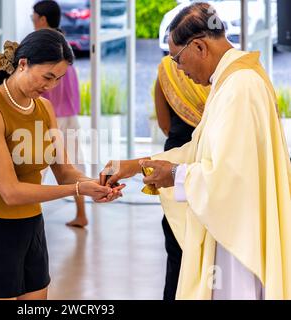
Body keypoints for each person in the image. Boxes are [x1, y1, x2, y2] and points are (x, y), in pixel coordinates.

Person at [101, 2, 291, 299]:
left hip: (238, 243)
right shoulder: (232, 80)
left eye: (177, 58)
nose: (178, 69)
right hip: (235, 228)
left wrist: (175, 174)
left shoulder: (240, 86)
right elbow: (201, 151)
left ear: (200, 47)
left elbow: (232, 177)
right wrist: (137, 165)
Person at [0, 29, 124, 300]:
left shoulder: (44, 109)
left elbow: (64, 170)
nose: (50, 86)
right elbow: (10, 192)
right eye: (47, 76)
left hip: (31, 228)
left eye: (58, 79)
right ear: (23, 63)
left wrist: (97, 184)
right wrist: (79, 191)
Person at [154, 54, 210, 300]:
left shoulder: (166, 70)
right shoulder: (225, 78)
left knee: (178, 243)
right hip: (207, 157)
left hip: (176, 158)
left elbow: (164, 123)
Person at [32, 0, 88, 228]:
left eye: (34, 18)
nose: (33, 22)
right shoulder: (64, 43)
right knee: (73, 162)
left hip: (49, 114)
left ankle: (30, 214)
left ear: (43, 19)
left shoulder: (44, 47)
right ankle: (81, 213)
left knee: (36, 165)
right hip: (68, 113)